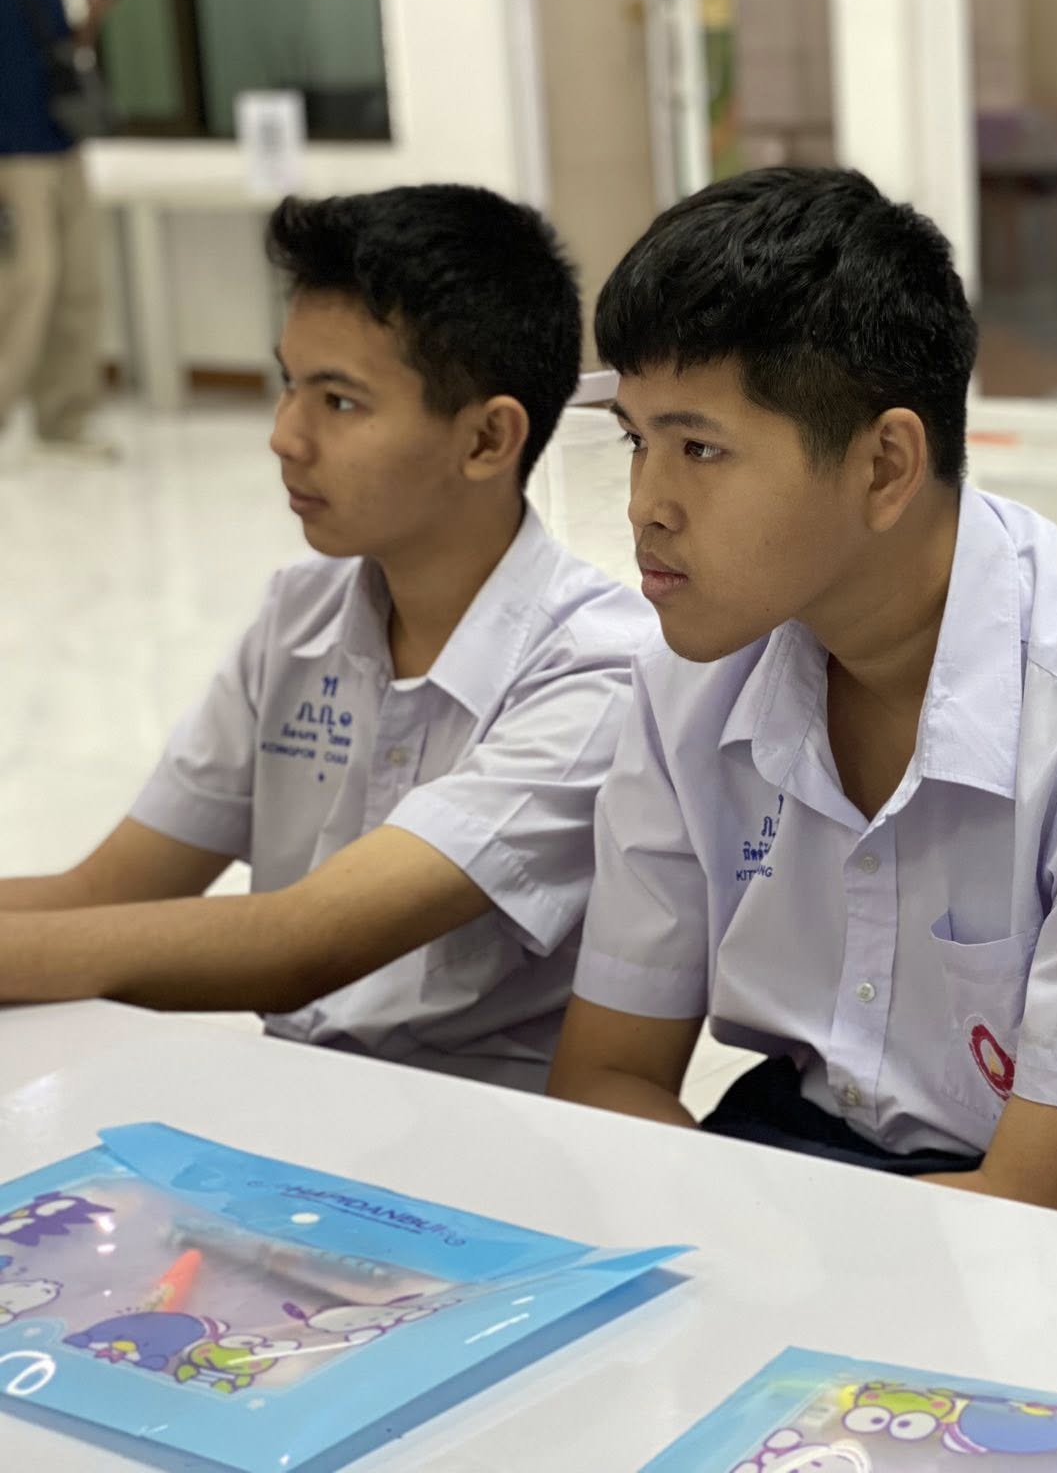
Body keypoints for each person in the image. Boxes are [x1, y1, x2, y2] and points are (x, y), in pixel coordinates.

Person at [546, 167, 1057, 1221]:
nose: (646, 505)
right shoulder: (689, 674)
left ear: (884, 465)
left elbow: (1050, 1203)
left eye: (699, 448)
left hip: (1041, 1232)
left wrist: (766, 1260)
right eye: (636, 442)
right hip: (784, 1155)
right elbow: (605, 1079)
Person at [0, 184, 654, 1091]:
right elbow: (104, 891)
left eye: (340, 402)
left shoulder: (595, 669)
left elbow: (302, 944)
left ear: (486, 440)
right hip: (294, 1098)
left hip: (480, 1134)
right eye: (287, 385)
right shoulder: (301, 615)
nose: (285, 437)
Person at [0, 0, 117, 459]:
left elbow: (64, 50)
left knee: (79, 285)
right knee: (29, 284)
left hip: (63, 143)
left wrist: (91, 19)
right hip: (12, 155)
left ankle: (64, 419)